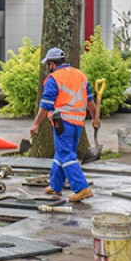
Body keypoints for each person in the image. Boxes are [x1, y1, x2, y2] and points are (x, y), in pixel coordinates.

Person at [29, 47, 98, 202]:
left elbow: (46, 104)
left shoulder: (54, 79)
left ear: (52, 64)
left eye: (48, 64)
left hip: (62, 122)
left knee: (66, 155)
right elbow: (89, 100)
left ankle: (82, 188)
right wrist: (94, 117)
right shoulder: (80, 75)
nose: (48, 68)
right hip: (78, 123)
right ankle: (55, 185)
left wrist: (36, 124)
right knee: (62, 153)